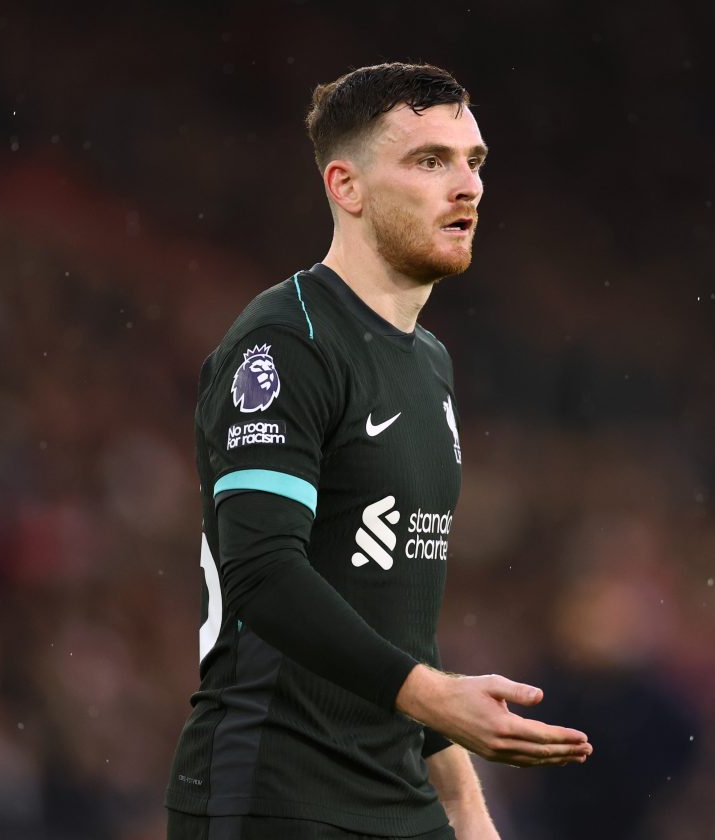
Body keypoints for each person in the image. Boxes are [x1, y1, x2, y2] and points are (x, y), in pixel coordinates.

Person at [164, 63, 592, 840]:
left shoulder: (429, 362)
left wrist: (465, 806)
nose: (467, 186)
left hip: (400, 802)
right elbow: (262, 574)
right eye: (430, 161)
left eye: (474, 162)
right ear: (347, 186)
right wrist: (439, 699)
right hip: (274, 797)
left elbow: (395, 623)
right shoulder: (286, 342)